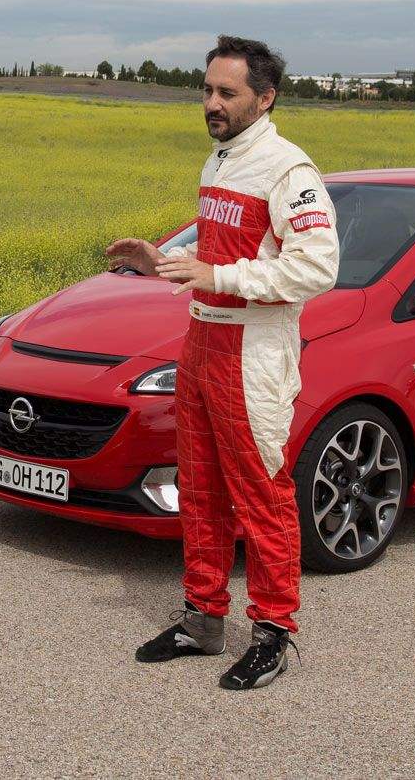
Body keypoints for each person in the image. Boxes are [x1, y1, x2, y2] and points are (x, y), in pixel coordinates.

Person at [107, 35, 340, 690]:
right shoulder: (218, 163)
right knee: (201, 491)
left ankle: (273, 634)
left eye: (226, 93)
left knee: (262, 494)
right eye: (207, 90)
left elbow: (318, 266)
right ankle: (204, 619)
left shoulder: (288, 169)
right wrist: (159, 262)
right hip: (201, 341)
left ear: (264, 98)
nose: (211, 102)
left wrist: (219, 273)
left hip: (253, 353)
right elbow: (213, 263)